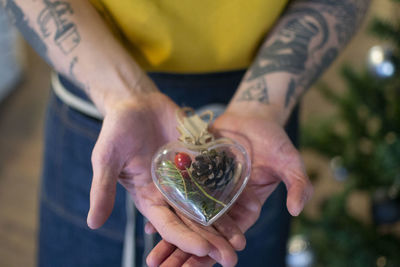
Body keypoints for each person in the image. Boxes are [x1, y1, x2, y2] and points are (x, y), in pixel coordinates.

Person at [1, 0, 370, 266]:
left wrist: (263, 105)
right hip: (100, 89)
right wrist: (124, 95)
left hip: (265, 103)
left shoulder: (242, 158)